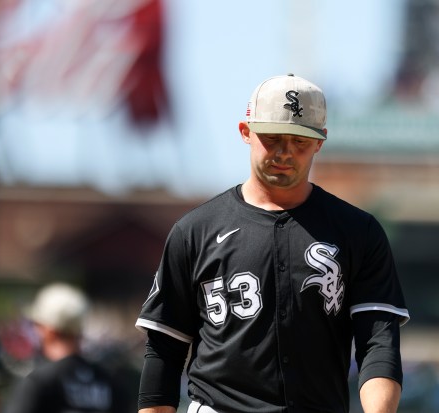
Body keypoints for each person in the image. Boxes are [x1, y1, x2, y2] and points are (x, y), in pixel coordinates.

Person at [136, 74, 410, 413]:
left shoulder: (357, 230)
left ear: (320, 141)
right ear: (245, 131)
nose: (285, 152)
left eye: (300, 141)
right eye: (273, 138)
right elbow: (165, 349)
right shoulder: (195, 230)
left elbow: (378, 343)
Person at [3, 283, 127, 413]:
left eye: (37, 324)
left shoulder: (38, 382)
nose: (35, 330)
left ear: (49, 330)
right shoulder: (109, 382)